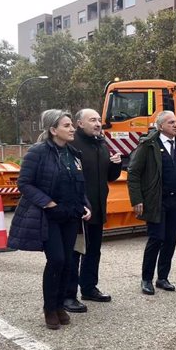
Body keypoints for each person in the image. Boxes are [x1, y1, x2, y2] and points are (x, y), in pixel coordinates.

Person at [8, 109, 91, 330]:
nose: (72, 128)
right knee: (57, 260)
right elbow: (24, 183)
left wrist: (86, 206)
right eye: (67, 126)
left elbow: (79, 185)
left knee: (68, 262)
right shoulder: (38, 152)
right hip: (49, 216)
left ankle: (60, 304)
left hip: (71, 216)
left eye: (72, 125)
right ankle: (49, 308)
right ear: (53, 130)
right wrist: (49, 203)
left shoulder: (73, 154)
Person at [127, 111, 176, 295]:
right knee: (156, 238)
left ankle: (162, 277)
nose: (175, 124)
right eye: (171, 122)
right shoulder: (148, 145)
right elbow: (133, 173)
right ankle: (146, 279)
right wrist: (137, 199)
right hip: (157, 200)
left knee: (170, 240)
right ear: (160, 126)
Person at [63, 108, 122, 313]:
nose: (98, 124)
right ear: (80, 123)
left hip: (97, 208)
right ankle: (68, 295)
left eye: (99, 120)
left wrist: (116, 165)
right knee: (75, 252)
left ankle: (88, 288)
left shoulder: (101, 144)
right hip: (78, 210)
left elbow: (109, 177)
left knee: (93, 251)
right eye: (92, 120)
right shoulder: (71, 145)